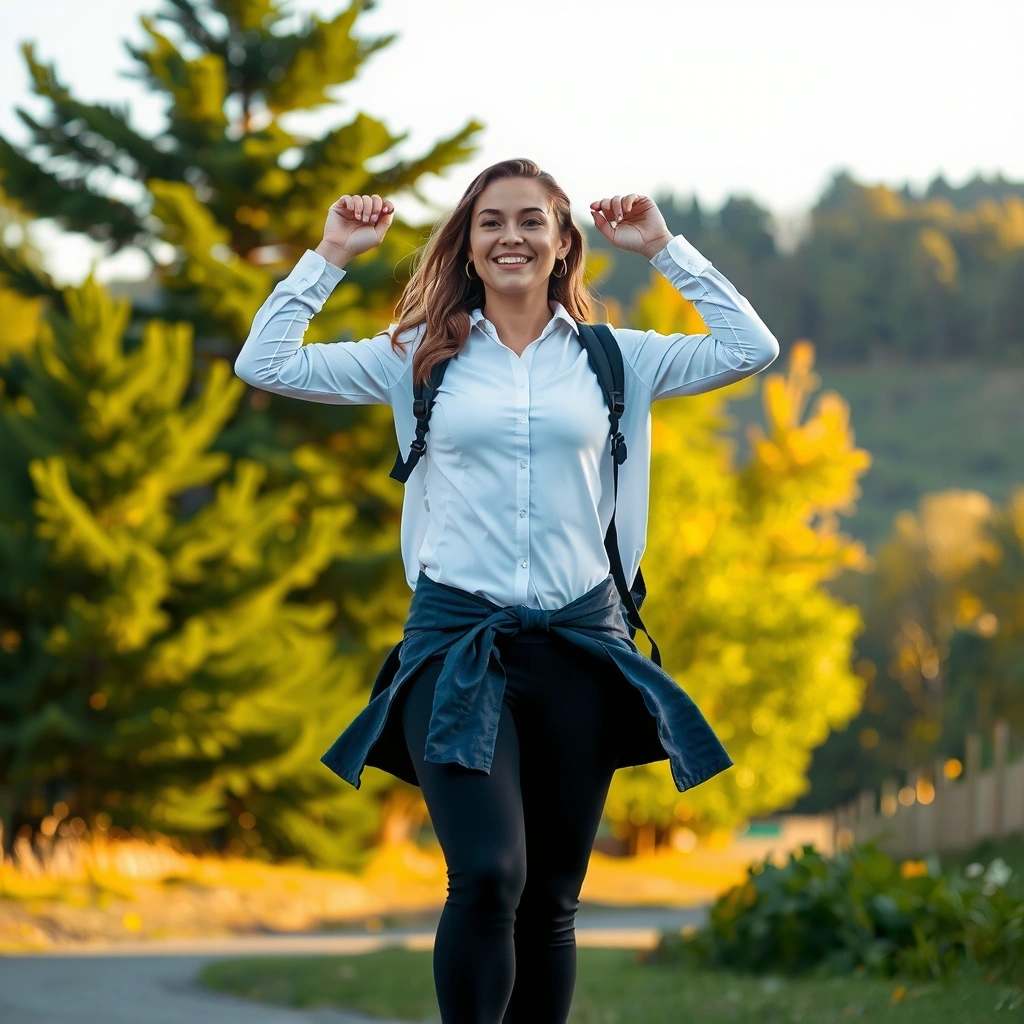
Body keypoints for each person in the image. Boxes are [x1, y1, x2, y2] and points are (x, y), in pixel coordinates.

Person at [234, 158, 780, 1024]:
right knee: (489, 873)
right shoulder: (416, 356)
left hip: (580, 644)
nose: (511, 236)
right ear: (469, 241)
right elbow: (263, 363)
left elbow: (752, 349)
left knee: (551, 901)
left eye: (532, 221)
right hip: (457, 646)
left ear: (564, 242)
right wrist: (330, 255)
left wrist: (664, 249)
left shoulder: (618, 360)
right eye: (492, 221)